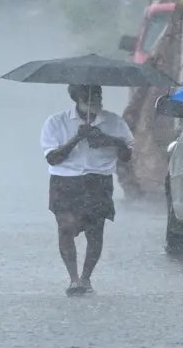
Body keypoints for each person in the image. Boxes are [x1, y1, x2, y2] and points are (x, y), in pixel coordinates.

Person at [40, 84, 135, 296]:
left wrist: (107, 140)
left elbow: (127, 155)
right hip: (65, 180)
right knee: (66, 227)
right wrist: (78, 138)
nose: (95, 98)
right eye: (88, 94)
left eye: (98, 94)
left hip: (98, 181)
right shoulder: (56, 122)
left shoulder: (114, 122)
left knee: (95, 232)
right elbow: (53, 159)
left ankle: (86, 278)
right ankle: (73, 279)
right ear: (76, 97)